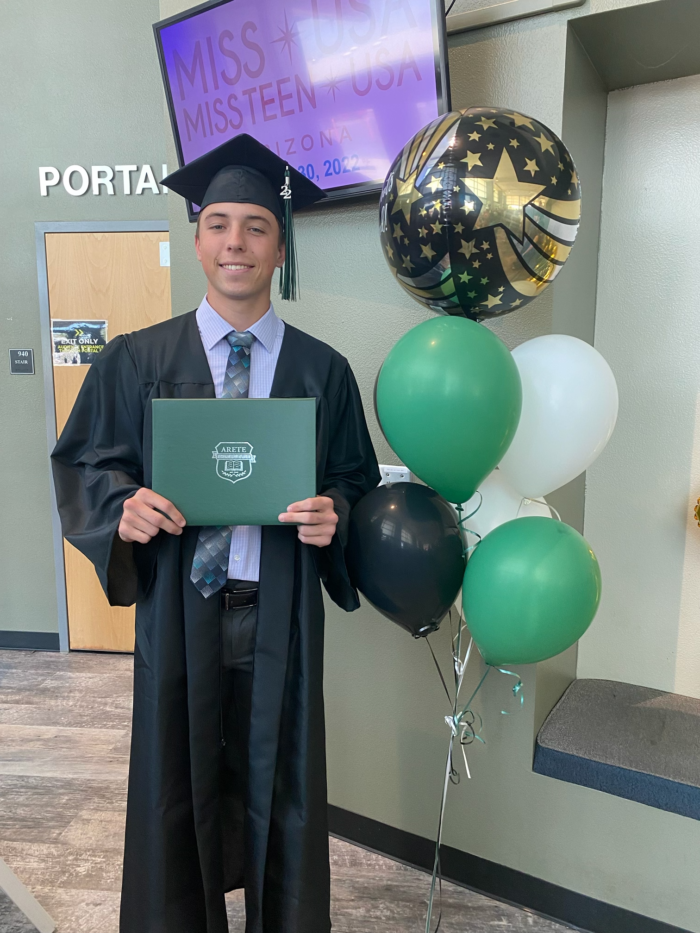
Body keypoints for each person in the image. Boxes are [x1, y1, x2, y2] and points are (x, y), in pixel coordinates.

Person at [51, 133, 380, 933]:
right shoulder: (137, 360)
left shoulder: (321, 370)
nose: (237, 242)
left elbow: (354, 484)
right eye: (220, 224)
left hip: (281, 610)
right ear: (197, 238)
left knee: (285, 788)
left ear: (279, 244)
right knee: (174, 785)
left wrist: (335, 514)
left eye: (257, 226)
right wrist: (121, 508)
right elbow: (86, 464)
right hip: (180, 609)